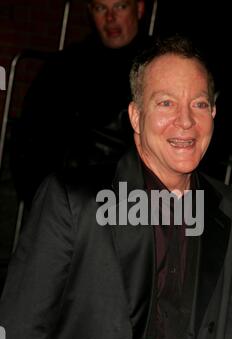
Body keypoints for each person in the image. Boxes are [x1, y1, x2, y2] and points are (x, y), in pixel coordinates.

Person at [0, 36, 232, 339]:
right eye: (166, 102)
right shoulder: (72, 202)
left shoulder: (231, 213)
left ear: (214, 113)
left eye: (199, 104)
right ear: (136, 116)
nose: (185, 121)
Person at [10, 0, 148, 207]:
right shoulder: (63, 66)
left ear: (139, 8)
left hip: (121, 210)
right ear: (90, 12)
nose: (110, 18)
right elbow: (29, 135)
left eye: (120, 7)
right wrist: (37, 196)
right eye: (101, 8)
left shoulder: (157, 70)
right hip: (57, 203)